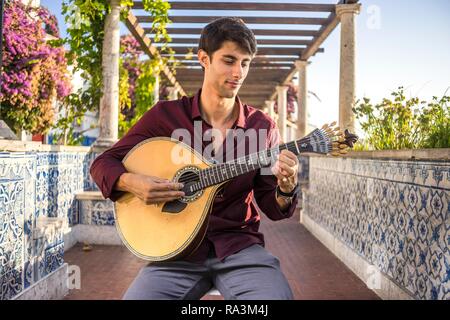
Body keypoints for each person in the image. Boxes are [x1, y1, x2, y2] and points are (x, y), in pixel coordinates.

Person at [90, 17, 300, 300]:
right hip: (176, 253)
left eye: (245, 63)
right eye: (228, 60)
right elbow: (103, 163)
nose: (238, 72)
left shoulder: (261, 128)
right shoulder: (165, 116)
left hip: (239, 248)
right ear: (204, 59)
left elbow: (272, 207)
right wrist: (133, 183)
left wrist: (286, 188)